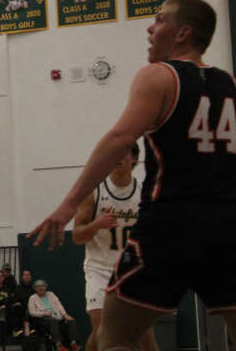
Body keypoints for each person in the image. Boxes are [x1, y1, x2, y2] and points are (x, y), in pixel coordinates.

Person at [31, 0, 236, 351]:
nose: (150, 28)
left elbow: (120, 139)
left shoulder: (159, 75)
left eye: (159, 20)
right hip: (227, 227)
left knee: (115, 338)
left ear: (183, 33)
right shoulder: (229, 84)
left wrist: (69, 204)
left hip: (169, 226)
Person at [72, 143, 158, 351]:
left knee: (145, 333)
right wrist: (96, 225)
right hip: (99, 268)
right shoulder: (94, 192)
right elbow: (77, 236)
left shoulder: (144, 193)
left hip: (131, 269)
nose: (118, 158)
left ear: (134, 159)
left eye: (124, 154)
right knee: (101, 331)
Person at [27, 280, 79, 351]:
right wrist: (43, 313)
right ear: (35, 289)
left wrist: (65, 315)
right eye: (38, 286)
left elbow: (59, 305)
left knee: (71, 321)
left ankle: (73, 343)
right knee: (53, 321)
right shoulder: (32, 298)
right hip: (43, 319)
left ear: (45, 287)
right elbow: (32, 312)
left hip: (57, 316)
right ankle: (58, 345)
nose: (40, 288)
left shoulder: (51, 294)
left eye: (42, 286)